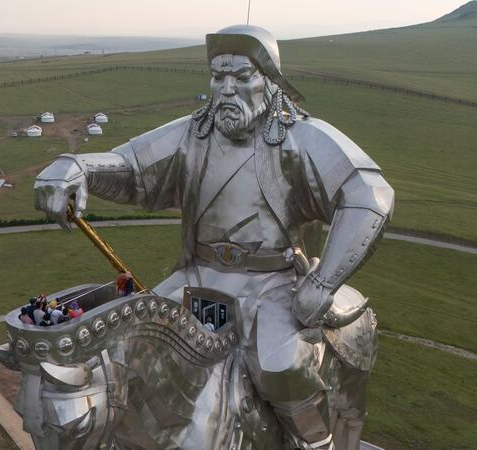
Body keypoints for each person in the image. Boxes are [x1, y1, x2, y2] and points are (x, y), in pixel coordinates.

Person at [34, 24, 394, 449]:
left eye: (241, 76)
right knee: (121, 344)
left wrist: (322, 282)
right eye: (218, 77)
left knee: (282, 366)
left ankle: (316, 443)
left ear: (269, 81)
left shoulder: (301, 139)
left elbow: (369, 195)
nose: (226, 89)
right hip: (196, 277)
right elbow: (129, 167)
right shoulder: (193, 133)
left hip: (272, 283)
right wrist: (76, 165)